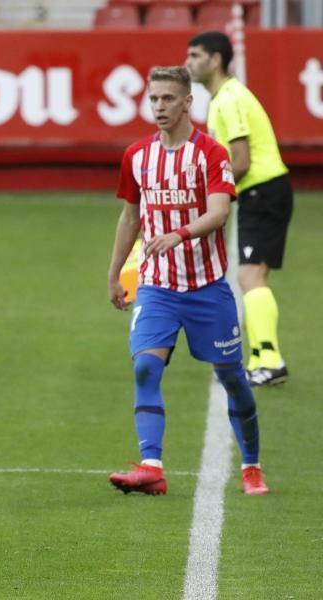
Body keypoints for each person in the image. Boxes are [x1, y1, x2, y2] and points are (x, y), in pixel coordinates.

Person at [106, 67, 268, 496]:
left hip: (207, 289)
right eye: (154, 98)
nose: (159, 106)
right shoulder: (137, 156)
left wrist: (178, 234)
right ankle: (152, 466)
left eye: (167, 99)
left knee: (232, 378)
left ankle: (251, 465)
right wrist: (113, 271)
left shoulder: (211, 154)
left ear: (186, 103)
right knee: (145, 367)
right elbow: (130, 216)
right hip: (157, 286)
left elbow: (219, 212)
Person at [186, 31, 294, 386]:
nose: (189, 62)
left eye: (196, 55)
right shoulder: (223, 98)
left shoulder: (230, 99)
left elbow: (241, 161)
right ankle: (262, 359)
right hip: (260, 193)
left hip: (261, 190)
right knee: (251, 276)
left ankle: (270, 359)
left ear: (216, 59)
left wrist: (207, 195)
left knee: (251, 276)